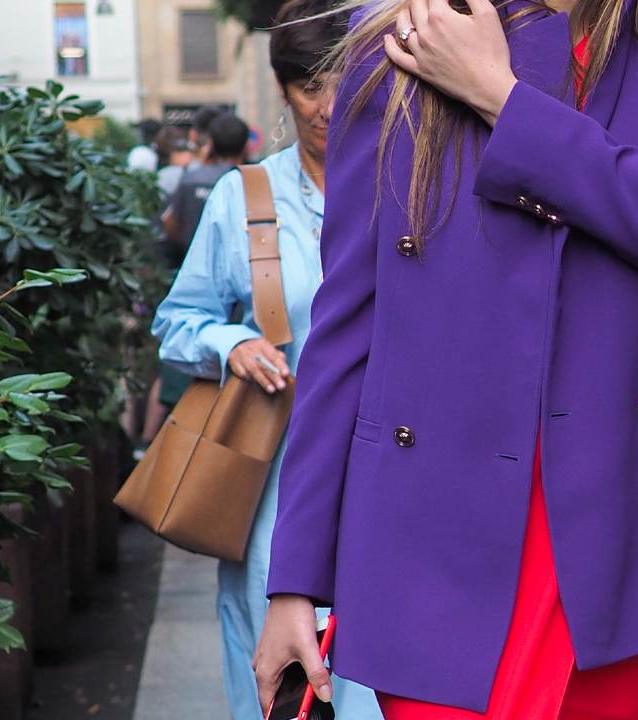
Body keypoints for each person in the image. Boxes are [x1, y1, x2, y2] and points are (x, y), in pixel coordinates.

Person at [253, 0, 638, 718]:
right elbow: (347, 326)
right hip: (432, 532)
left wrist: (502, 98)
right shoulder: (399, 41)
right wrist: (294, 581)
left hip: (618, 523)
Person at [150, 3, 383, 718]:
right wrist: (232, 343)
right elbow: (175, 323)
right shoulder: (243, 197)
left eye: (345, 81)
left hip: (390, 475)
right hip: (273, 485)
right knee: (277, 694)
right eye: (308, 85)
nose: (328, 104)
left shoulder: (406, 191)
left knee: (382, 687)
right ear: (282, 90)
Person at [162, 112, 250, 269]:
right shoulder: (253, 181)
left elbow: (170, 222)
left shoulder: (190, 178)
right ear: (245, 145)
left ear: (212, 143)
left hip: (194, 266)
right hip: (242, 268)